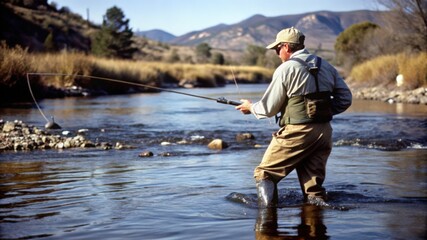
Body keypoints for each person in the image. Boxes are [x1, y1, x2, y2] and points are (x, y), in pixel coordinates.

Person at [236, 27, 352, 208]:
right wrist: (322, 112)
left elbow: (268, 108)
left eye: (277, 49)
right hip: (324, 132)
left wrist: (250, 107)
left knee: (264, 174)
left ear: (286, 47)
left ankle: (267, 220)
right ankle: (315, 224)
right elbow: (345, 99)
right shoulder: (326, 65)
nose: (276, 53)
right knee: (313, 189)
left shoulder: (286, 69)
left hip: (297, 132)